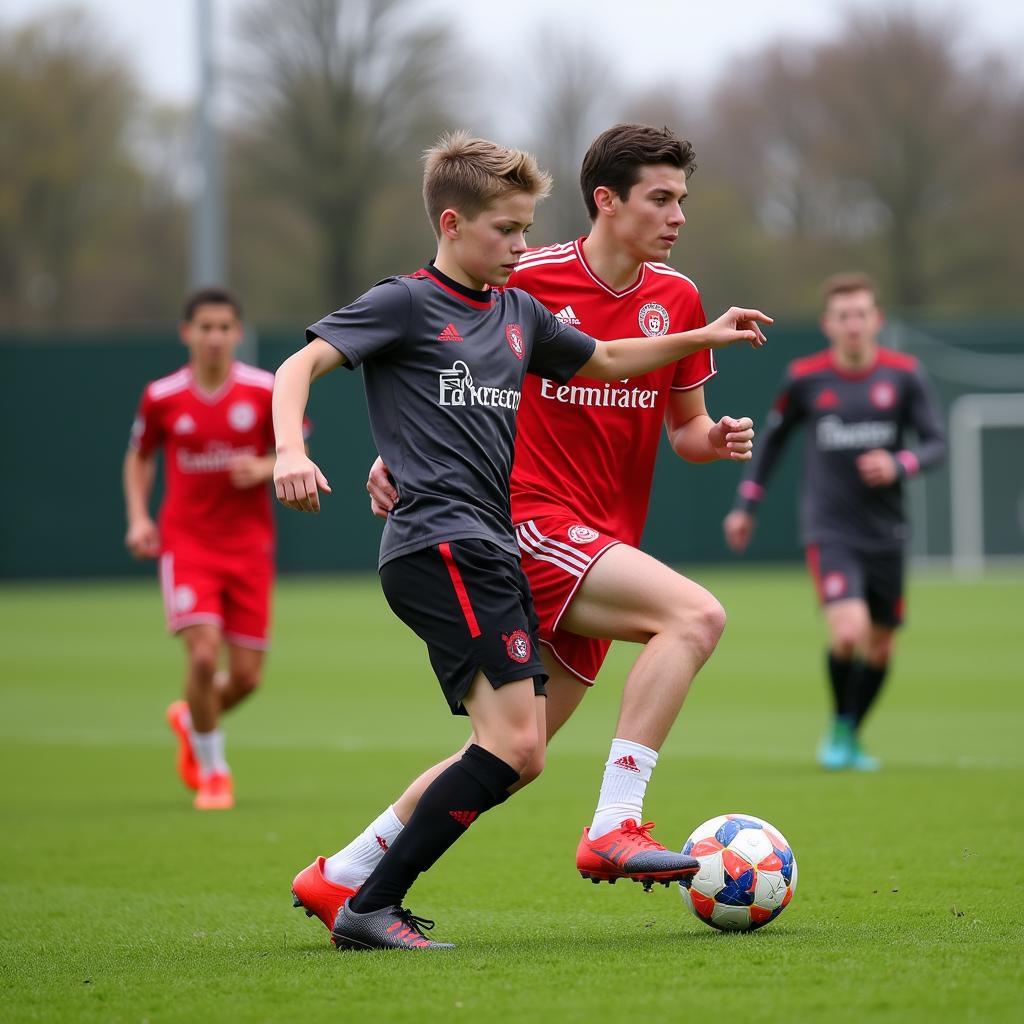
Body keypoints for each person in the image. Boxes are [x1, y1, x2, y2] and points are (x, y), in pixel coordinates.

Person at [274, 130, 771, 950]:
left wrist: (706, 375)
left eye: (683, 197)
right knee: (694, 617)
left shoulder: (562, 306)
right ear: (607, 200)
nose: (517, 244)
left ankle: (348, 873)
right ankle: (615, 823)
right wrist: (326, 452)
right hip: (509, 526)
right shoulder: (480, 283)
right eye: (662, 196)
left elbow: (613, 365)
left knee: (512, 749)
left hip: (562, 541)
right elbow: (362, 360)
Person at [723, 272, 946, 770]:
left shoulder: (904, 375)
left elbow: (936, 443)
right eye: (843, 316)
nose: (853, 324)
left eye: (861, 314)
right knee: (849, 632)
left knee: (882, 644)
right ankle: (841, 732)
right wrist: (746, 505)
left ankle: (849, 730)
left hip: (888, 531)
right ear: (828, 323)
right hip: (831, 528)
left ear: (877, 320)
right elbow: (773, 444)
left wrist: (899, 464)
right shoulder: (806, 378)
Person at [123, 287, 279, 811]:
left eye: (224, 327)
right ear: (187, 333)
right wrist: (140, 518)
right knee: (203, 653)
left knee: (247, 678)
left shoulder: (264, 391)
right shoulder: (163, 396)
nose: (214, 337)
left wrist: (262, 466)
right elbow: (140, 457)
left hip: (250, 547)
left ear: (238, 333)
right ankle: (215, 773)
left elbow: (290, 452)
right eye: (204, 327)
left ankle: (190, 718)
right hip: (187, 543)